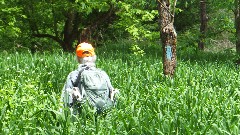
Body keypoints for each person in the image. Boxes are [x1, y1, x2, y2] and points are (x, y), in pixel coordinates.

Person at [60, 42, 119, 115]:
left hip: (83, 115)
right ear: (94, 57)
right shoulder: (102, 73)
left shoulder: (73, 75)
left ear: (78, 58)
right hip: (105, 112)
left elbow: (66, 98)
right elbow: (111, 92)